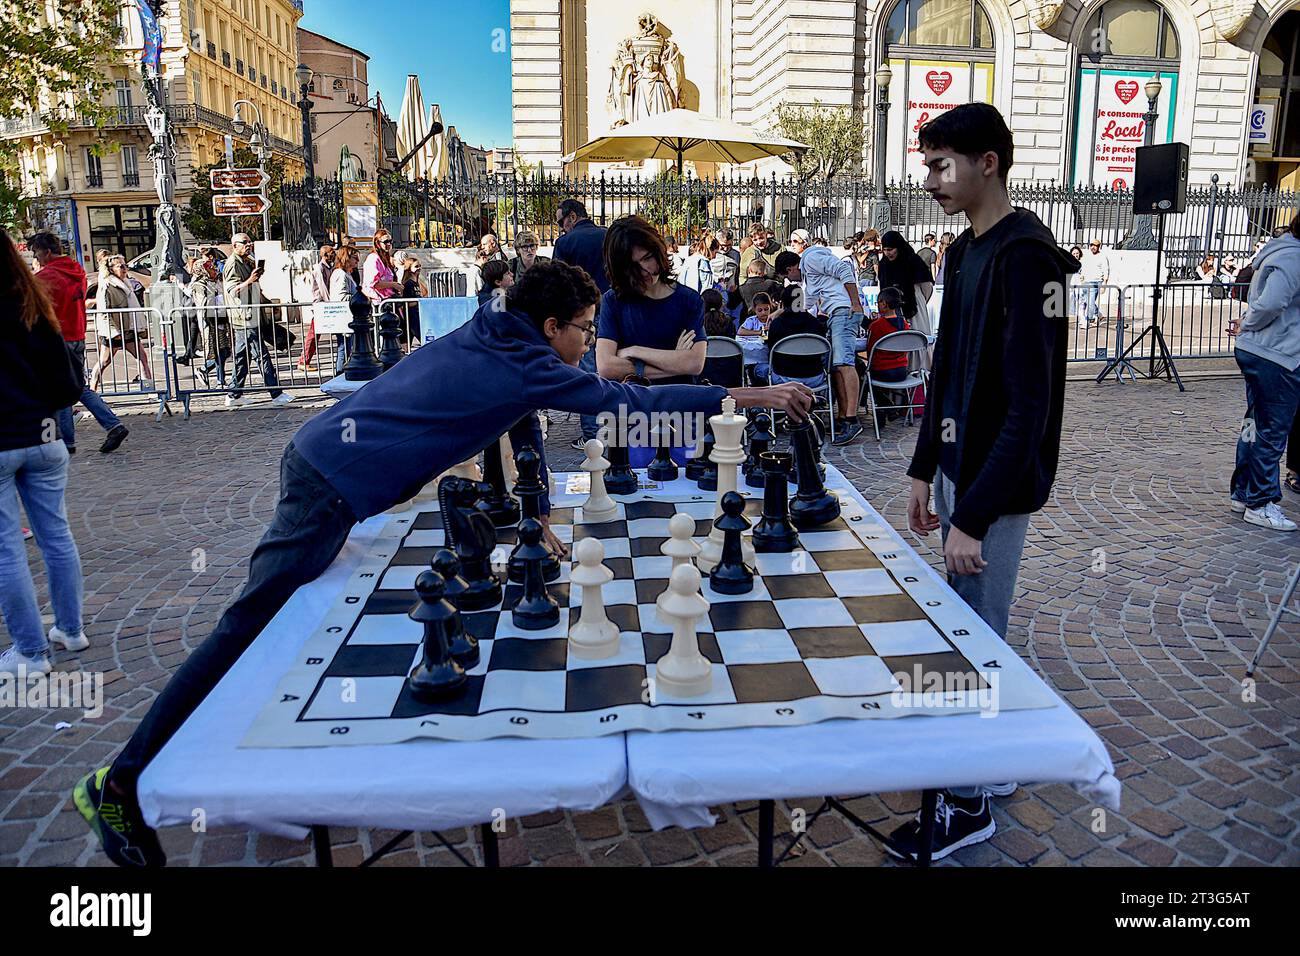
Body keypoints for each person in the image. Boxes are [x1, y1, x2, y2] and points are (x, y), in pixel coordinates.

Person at [72, 258, 815, 867]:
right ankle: (119, 781)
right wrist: (750, 392)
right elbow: (625, 404)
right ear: (550, 326)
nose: (590, 342)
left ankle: (251, 776)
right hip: (330, 481)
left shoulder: (499, 332)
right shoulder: (524, 356)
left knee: (279, 621)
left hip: (330, 463)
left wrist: (537, 511)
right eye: (583, 331)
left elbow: (515, 419)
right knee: (246, 627)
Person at [896, 102, 1080, 861]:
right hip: (958, 477)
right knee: (963, 629)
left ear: (988, 163)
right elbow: (945, 370)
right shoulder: (962, 252)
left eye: (942, 164)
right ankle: (991, 765)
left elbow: (1032, 407)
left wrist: (970, 512)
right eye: (927, 163)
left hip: (994, 491)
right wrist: (921, 467)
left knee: (975, 639)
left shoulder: (1032, 258)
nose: (930, 178)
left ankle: (968, 802)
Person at [0, 230, 88, 676]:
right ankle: (70, 629)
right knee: (56, 535)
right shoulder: (35, 307)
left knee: (6, 550)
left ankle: (31, 652)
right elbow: (68, 384)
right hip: (44, 436)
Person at [1228, 213, 1300, 532]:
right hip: (1278, 354)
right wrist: (1249, 323)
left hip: (1265, 350)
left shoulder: (1280, 251)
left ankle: (1244, 493)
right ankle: (1259, 501)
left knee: (1255, 425)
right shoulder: (1294, 257)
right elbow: (1272, 302)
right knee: (1271, 430)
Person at [30, 233, 128, 455]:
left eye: (36, 253)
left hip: (56, 338)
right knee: (77, 387)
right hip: (76, 334)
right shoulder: (77, 271)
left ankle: (68, 441)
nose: (36, 257)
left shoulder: (45, 277)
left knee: (63, 389)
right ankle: (113, 425)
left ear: (45, 252)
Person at [596, 216, 708, 389]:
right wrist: (675, 361)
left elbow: (694, 363)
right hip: (631, 409)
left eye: (648, 258)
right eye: (633, 266)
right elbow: (606, 367)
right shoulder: (613, 301)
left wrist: (634, 351)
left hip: (680, 406)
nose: (645, 271)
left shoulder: (690, 301)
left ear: (659, 251)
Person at [783, 230, 867, 444]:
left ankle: (851, 419)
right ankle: (842, 417)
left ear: (792, 268)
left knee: (844, 363)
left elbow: (844, 269)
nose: (789, 280)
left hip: (844, 310)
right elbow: (806, 303)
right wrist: (780, 314)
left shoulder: (811, 258)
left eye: (787, 275)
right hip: (837, 312)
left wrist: (855, 303)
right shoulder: (810, 276)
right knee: (836, 366)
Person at [552, 198, 610, 448]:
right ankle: (615, 431)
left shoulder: (565, 243)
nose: (560, 227)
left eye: (561, 221)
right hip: (612, 305)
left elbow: (557, 280)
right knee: (613, 368)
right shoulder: (609, 236)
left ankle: (592, 435)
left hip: (580, 312)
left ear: (573, 217)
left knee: (588, 370)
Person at [224, 233, 292, 408]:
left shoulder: (246, 261)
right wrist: (250, 280)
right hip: (245, 317)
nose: (249, 245)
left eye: (250, 242)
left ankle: (234, 394)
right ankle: (275, 393)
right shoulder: (233, 263)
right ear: (235, 245)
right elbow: (232, 289)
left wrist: (267, 303)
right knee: (261, 356)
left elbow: (254, 288)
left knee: (242, 358)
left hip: (249, 316)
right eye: (245, 243)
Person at [90, 254, 153, 393]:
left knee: (142, 357)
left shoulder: (126, 282)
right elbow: (103, 311)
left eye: (125, 265)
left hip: (128, 328)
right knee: (104, 361)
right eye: (121, 266)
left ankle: (150, 390)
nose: (125, 269)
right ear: (111, 269)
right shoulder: (107, 285)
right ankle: (92, 391)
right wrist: (113, 332)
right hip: (114, 332)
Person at [862, 286, 912, 428]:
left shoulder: (876, 326)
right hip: (902, 370)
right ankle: (887, 409)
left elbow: (870, 351)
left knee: (865, 376)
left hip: (882, 371)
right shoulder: (905, 324)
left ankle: (886, 406)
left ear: (883, 303)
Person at [766, 284, 829, 389]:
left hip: (784, 377)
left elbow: (770, 351)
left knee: (757, 369)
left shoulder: (777, 324)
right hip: (814, 377)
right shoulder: (816, 323)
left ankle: (764, 403)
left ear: (782, 302)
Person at [877, 231, 935, 338]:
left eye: (890, 249)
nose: (887, 253)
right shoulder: (884, 265)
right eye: (884, 250)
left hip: (913, 303)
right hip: (891, 308)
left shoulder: (913, 261)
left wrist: (919, 300)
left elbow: (926, 286)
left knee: (916, 337)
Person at [186, 254, 228, 388]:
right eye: (209, 267)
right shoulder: (199, 285)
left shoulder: (216, 281)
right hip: (209, 321)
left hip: (221, 318)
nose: (213, 268)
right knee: (218, 351)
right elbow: (204, 303)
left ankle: (204, 369)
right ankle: (220, 380)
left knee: (225, 350)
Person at [296, 242, 335, 372]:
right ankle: (303, 360)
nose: (334, 254)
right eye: (331, 253)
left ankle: (304, 360)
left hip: (324, 304)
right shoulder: (319, 268)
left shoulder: (329, 267)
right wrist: (331, 303)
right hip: (321, 304)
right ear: (325, 255)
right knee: (313, 334)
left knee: (315, 334)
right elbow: (322, 287)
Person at [329, 244, 360, 376]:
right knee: (344, 347)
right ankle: (340, 374)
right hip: (343, 316)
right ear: (346, 258)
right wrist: (358, 296)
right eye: (354, 258)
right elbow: (340, 297)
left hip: (347, 316)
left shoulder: (345, 274)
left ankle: (343, 373)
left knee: (346, 347)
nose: (357, 261)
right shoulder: (340, 274)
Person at [737, 289, 773, 381]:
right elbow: (740, 331)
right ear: (754, 309)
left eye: (766, 309)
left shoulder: (773, 320)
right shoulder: (752, 320)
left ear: (770, 307)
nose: (763, 313)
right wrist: (760, 332)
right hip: (754, 357)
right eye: (760, 310)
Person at [1079, 238, 1109, 328]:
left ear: (1098, 247)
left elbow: (1106, 270)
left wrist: (1104, 283)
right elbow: (1084, 267)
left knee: (1090, 302)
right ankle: (1098, 315)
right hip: (1086, 281)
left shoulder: (1102, 257)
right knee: (1087, 300)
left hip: (1095, 282)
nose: (1093, 247)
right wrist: (1082, 277)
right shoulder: (1087, 256)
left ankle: (1088, 320)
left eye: (1095, 246)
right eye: (1091, 245)